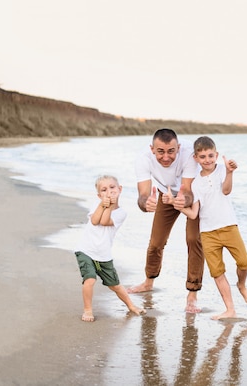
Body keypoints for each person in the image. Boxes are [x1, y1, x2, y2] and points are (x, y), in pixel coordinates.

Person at [175, 136, 247, 320]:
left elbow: (226, 190)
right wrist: (178, 206)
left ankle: (242, 286)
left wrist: (229, 172)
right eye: (202, 157)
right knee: (217, 272)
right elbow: (194, 213)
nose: (207, 160)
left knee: (244, 262)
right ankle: (230, 309)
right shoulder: (195, 183)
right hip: (208, 233)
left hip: (228, 227)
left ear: (216, 155)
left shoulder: (221, 170)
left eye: (210, 155)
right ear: (196, 158)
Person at [128, 128, 204, 313]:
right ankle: (148, 281)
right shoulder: (143, 158)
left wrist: (182, 200)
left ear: (178, 147)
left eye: (171, 151)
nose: (166, 157)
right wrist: (147, 203)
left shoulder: (188, 153)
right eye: (160, 151)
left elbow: (187, 190)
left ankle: (192, 294)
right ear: (152, 149)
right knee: (156, 242)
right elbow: (143, 195)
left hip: (194, 195)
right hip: (165, 194)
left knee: (193, 239)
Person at [75, 175, 146, 322]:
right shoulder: (96, 203)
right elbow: (95, 221)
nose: (109, 192)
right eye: (104, 189)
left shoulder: (121, 213)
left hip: (103, 254)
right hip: (86, 250)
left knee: (115, 285)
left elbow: (105, 221)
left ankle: (131, 306)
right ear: (99, 195)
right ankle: (87, 310)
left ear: (120, 189)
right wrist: (103, 205)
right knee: (90, 279)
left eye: (112, 187)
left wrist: (109, 206)